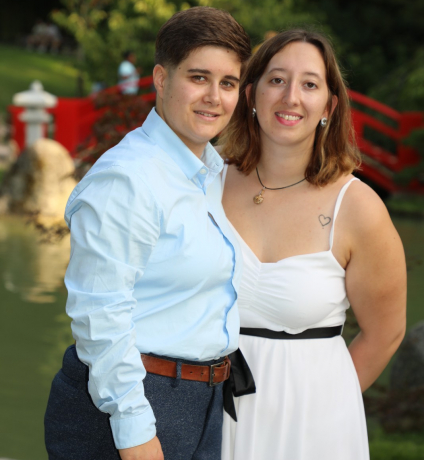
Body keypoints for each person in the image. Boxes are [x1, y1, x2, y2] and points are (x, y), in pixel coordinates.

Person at [44, 7, 251, 460]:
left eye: (229, 83)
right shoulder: (128, 178)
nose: (214, 97)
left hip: (201, 402)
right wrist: (135, 432)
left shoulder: (206, 174)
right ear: (160, 77)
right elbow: (101, 314)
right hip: (133, 406)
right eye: (199, 77)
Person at [219, 29, 407, 460]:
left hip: (313, 426)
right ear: (251, 92)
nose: (291, 98)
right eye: (276, 80)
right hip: (212, 412)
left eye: (309, 84)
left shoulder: (358, 208)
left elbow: (386, 333)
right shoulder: (207, 183)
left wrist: (321, 402)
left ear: (329, 105)